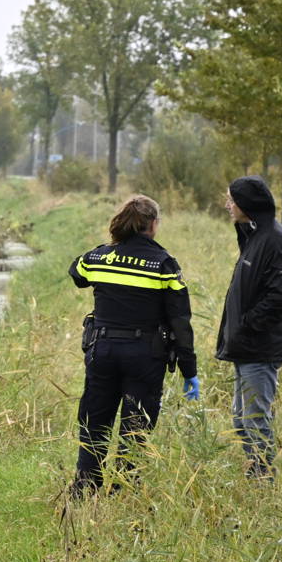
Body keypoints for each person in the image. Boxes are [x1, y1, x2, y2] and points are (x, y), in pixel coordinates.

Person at [69, 194, 198, 495]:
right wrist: (188, 369)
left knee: (94, 421)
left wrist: (109, 249)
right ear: (153, 225)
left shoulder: (100, 257)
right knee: (136, 428)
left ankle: (86, 488)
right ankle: (124, 493)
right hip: (145, 356)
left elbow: (77, 273)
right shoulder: (164, 264)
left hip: (102, 351)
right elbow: (180, 321)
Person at [215, 175, 282, 477]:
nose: (227, 205)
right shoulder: (256, 235)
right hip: (247, 346)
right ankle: (256, 475)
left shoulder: (275, 240)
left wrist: (248, 325)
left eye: (232, 200)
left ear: (246, 204)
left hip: (260, 347)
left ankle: (263, 481)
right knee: (241, 420)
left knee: (255, 420)